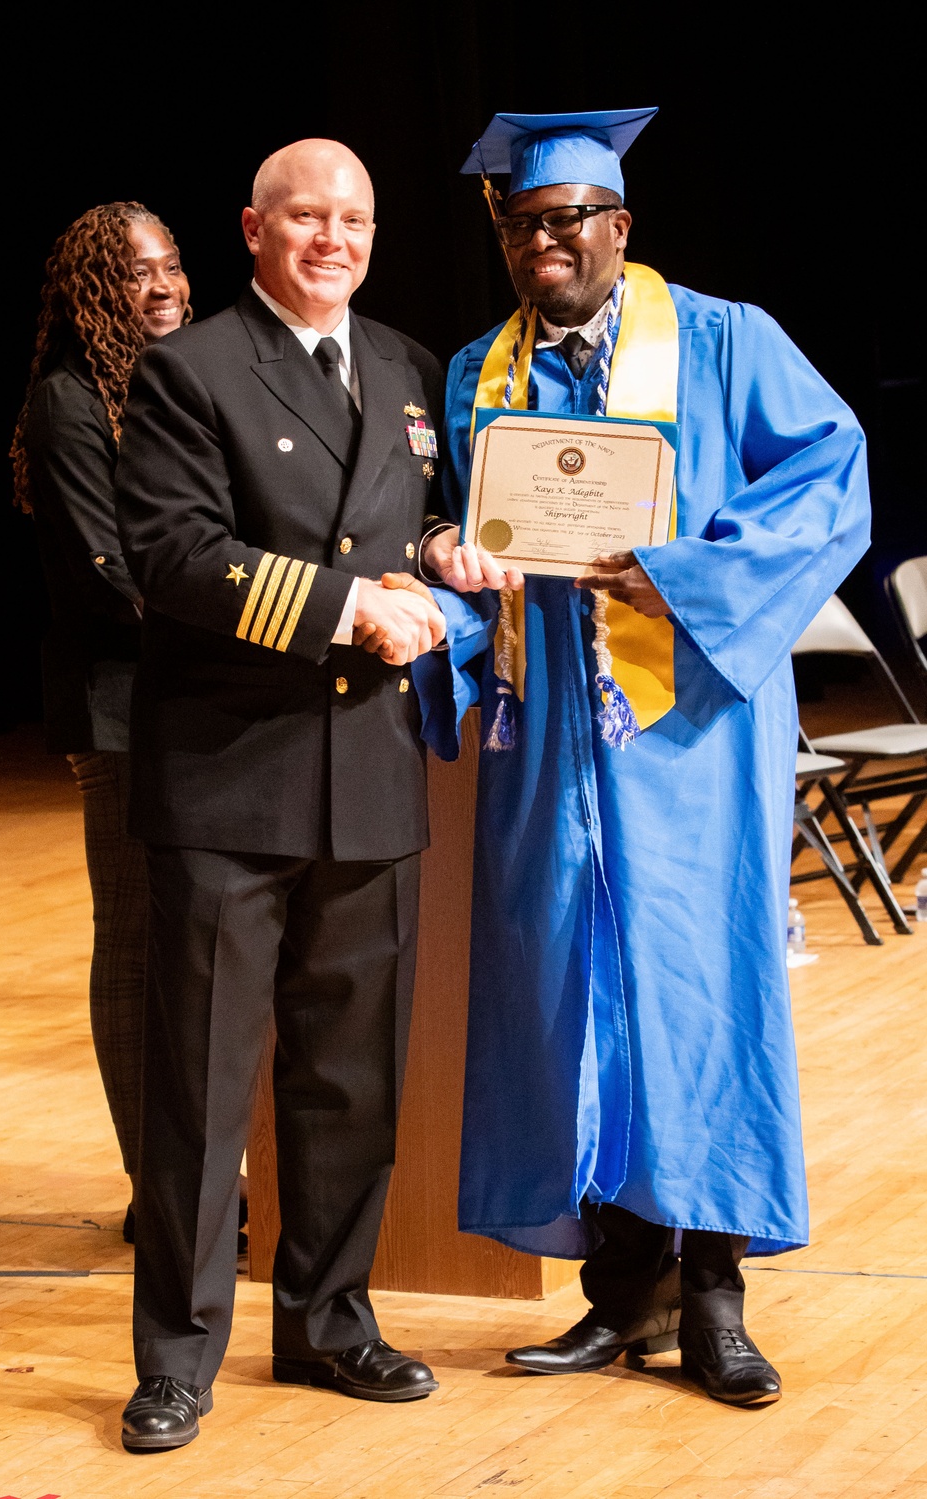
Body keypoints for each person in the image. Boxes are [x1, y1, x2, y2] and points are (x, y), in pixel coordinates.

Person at [416, 108, 871, 1406]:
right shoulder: (474, 373)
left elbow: (830, 477)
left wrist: (684, 573)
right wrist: (444, 579)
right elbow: (475, 552)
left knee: (697, 988)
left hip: (690, 733)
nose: (548, 241)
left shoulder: (726, 339)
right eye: (524, 222)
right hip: (548, 735)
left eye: (571, 218)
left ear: (621, 224)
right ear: (503, 235)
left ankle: (717, 1289)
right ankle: (625, 1292)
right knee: (570, 992)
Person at [113, 138, 448, 1452]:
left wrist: (441, 554)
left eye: (354, 216)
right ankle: (178, 1355)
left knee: (350, 1078)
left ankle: (329, 1318)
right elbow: (176, 555)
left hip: (370, 780)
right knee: (201, 1091)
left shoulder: (412, 370)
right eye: (307, 214)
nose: (333, 237)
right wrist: (353, 604)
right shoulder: (187, 370)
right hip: (228, 784)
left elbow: (409, 521)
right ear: (253, 227)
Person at [11, 202, 191, 1237]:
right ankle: (151, 1187)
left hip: (201, 704)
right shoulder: (69, 403)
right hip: (122, 711)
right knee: (131, 942)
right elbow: (111, 580)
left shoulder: (186, 388)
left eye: (171, 265)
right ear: (91, 293)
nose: (162, 285)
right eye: (135, 273)